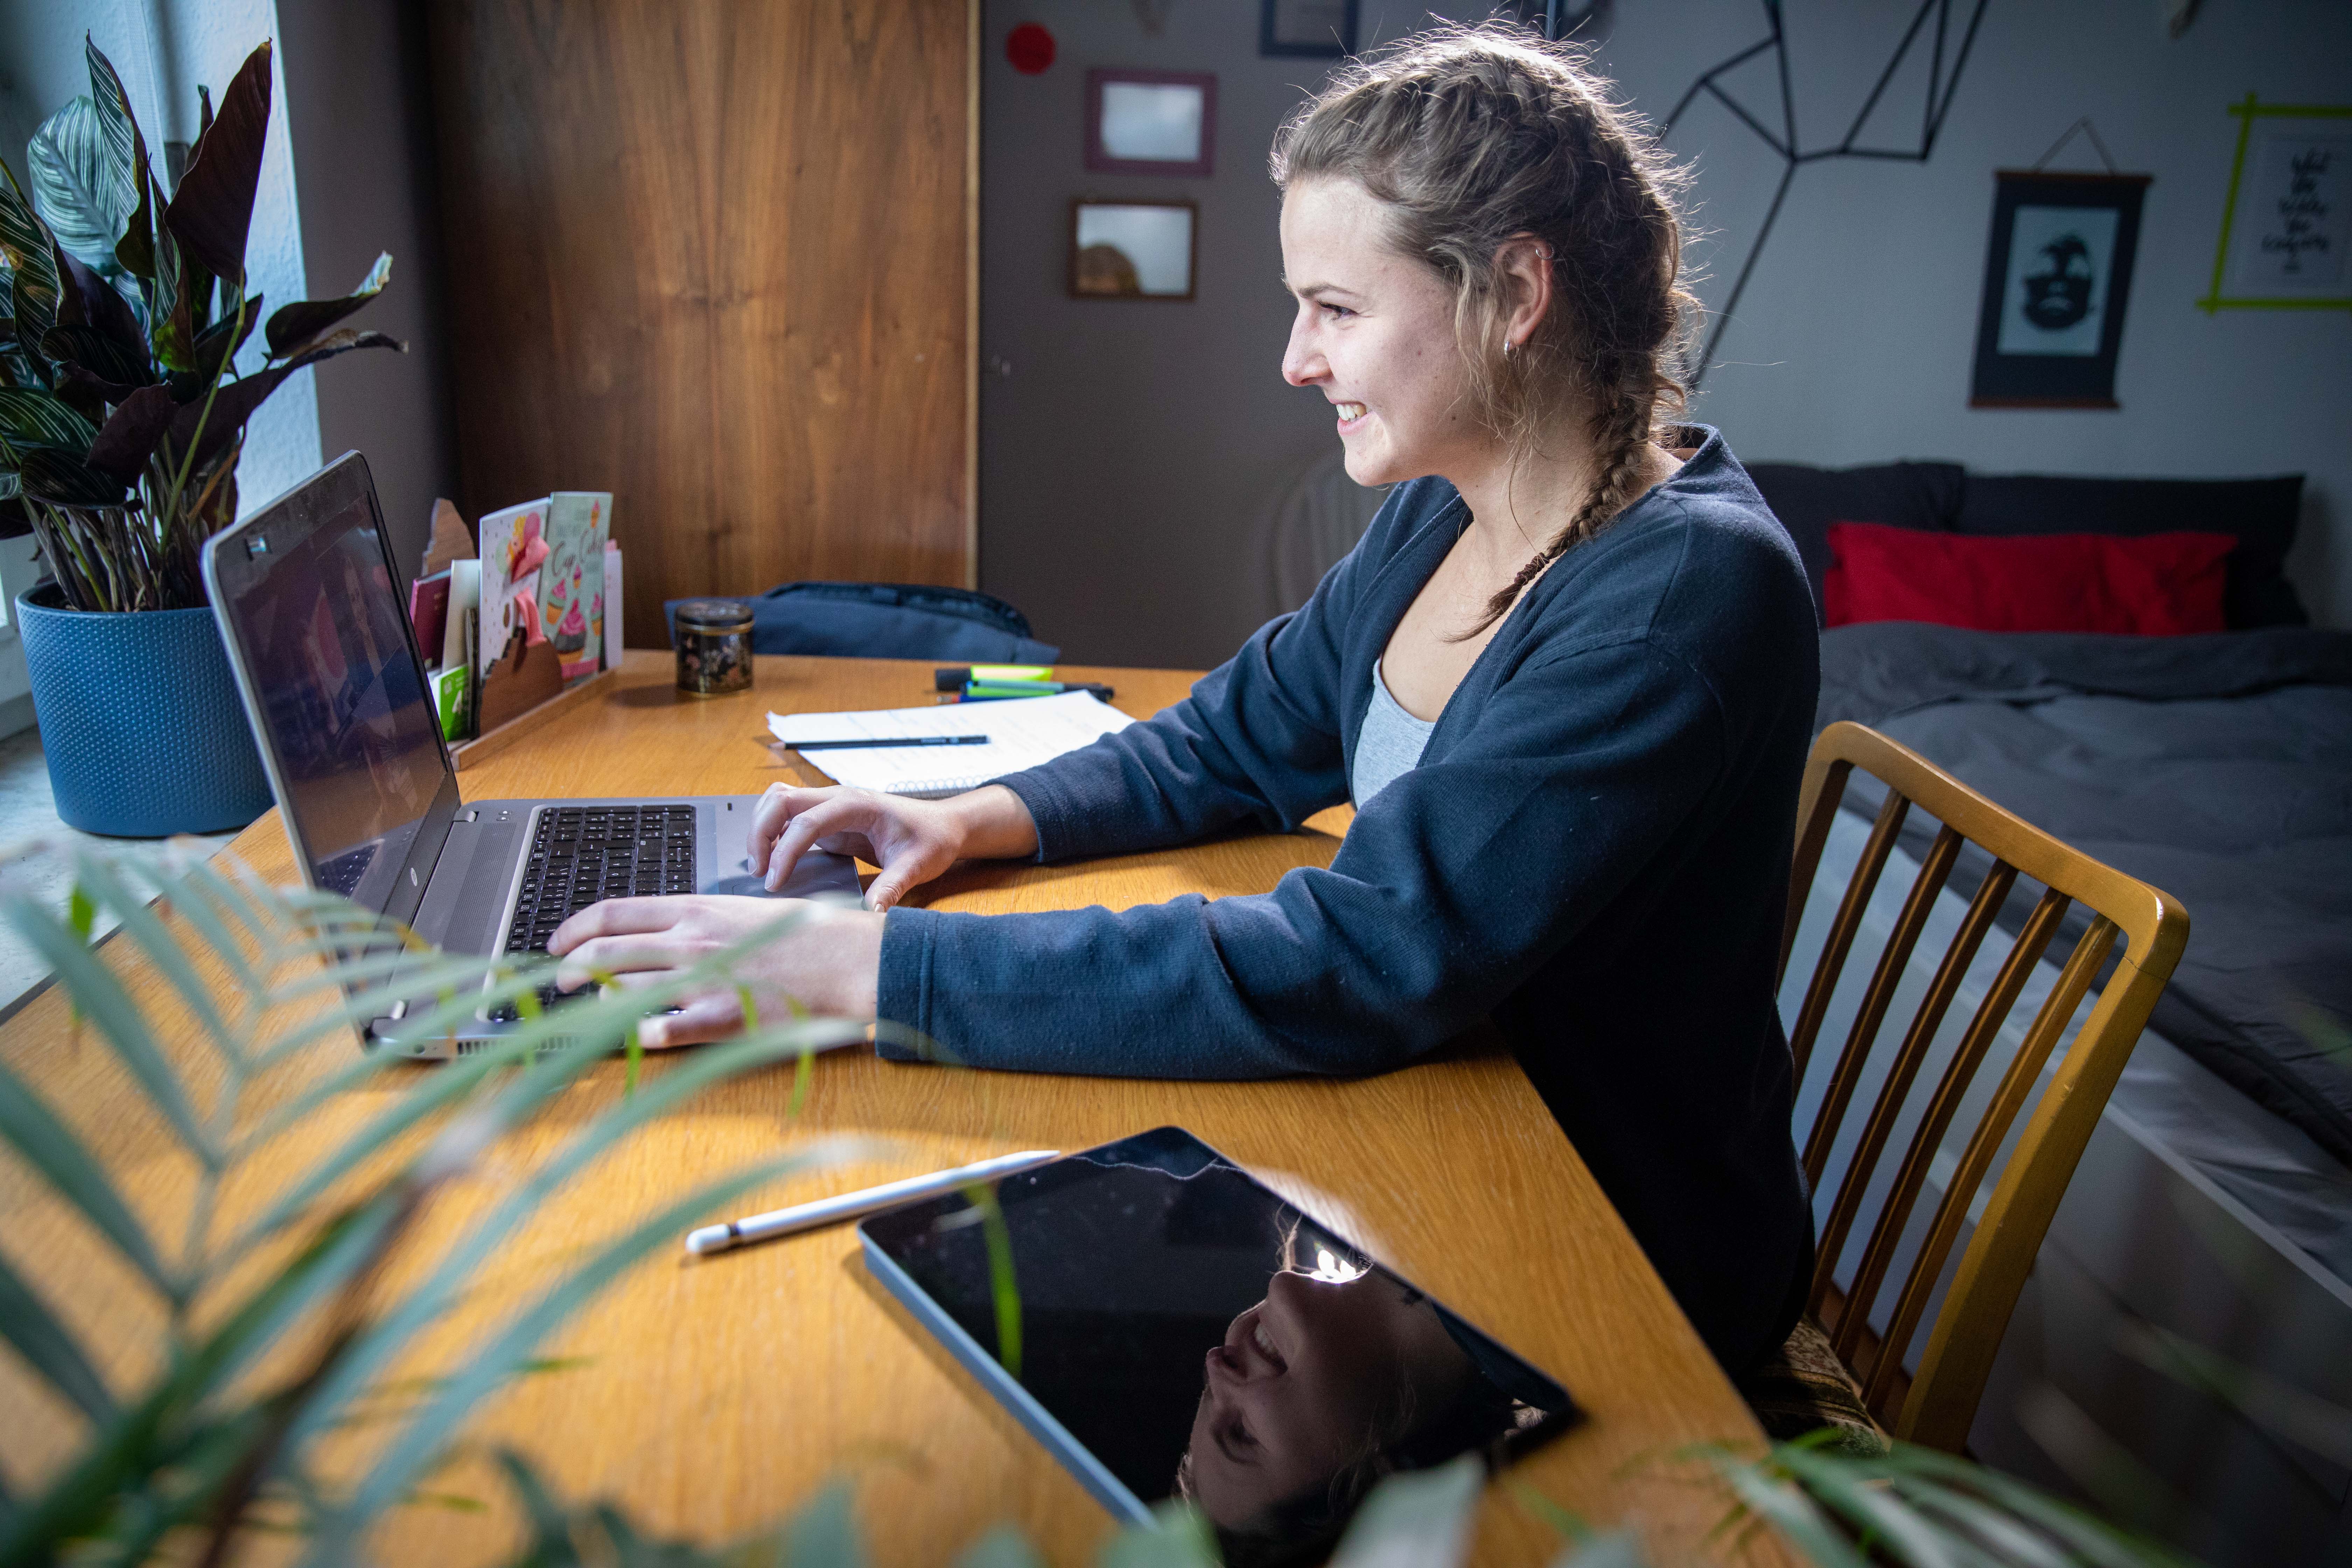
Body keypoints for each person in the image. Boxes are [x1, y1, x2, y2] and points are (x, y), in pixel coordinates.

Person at [550, 22, 1819, 1378]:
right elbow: (1236, 734)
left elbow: (1357, 959)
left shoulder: (1683, 599)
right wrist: (973, 817)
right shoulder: (1451, 510)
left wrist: (873, 973)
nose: (1294, 357)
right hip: (1445, 1140)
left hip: (1607, 1261)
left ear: (1511, 292)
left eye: (1336, 307)